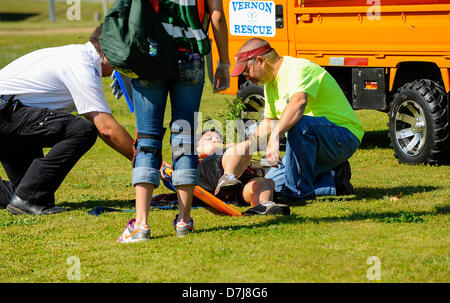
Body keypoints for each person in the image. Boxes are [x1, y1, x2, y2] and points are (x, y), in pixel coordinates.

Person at [117, 0, 231, 243]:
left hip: (152, 56)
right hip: (190, 57)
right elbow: (217, 16)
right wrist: (223, 61)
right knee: (186, 137)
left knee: (147, 139)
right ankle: (184, 220)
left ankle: (141, 224)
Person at [0, 24, 134, 215]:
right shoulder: (83, 64)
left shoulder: (73, 55)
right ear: (113, 49)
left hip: (10, 116)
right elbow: (106, 128)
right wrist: (144, 161)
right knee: (83, 129)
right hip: (7, 114)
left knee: (33, 192)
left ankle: (25, 198)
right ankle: (26, 199)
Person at [215, 38, 364, 203]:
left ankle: (299, 194)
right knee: (272, 186)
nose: (247, 77)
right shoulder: (270, 85)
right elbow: (269, 123)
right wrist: (246, 148)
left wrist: (275, 137)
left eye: (247, 71)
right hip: (312, 141)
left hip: (344, 137)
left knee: (298, 124)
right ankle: (334, 178)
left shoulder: (296, 68)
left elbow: (299, 103)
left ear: (260, 61)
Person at [162, 129, 291, 216]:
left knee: (265, 183)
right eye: (208, 138)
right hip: (214, 169)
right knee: (244, 147)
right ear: (197, 149)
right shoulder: (200, 160)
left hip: (238, 183)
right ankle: (228, 177)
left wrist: (252, 163)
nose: (214, 140)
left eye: (217, 139)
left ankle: (263, 205)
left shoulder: (229, 151)